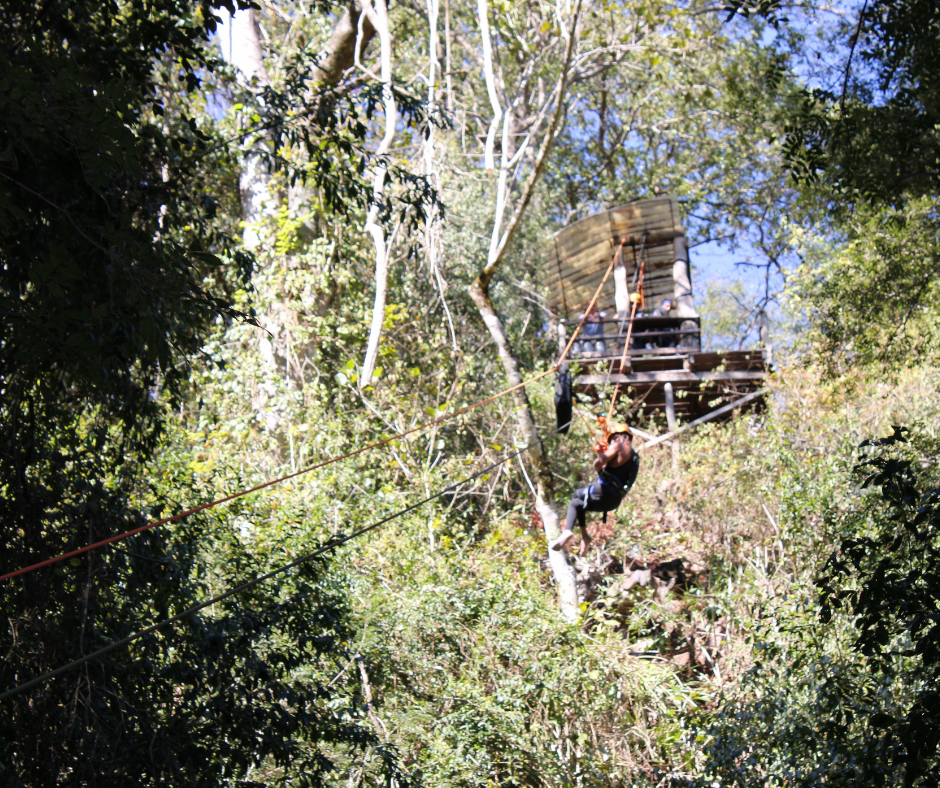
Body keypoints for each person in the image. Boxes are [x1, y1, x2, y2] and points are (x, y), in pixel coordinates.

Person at [550, 421, 640, 557]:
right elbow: (611, 470)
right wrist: (601, 452)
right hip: (614, 501)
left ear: (619, 437)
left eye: (612, 439)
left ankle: (568, 531)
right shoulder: (634, 457)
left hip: (603, 492)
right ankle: (584, 536)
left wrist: (601, 457)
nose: (612, 442)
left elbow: (598, 465)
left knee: (576, 494)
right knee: (577, 504)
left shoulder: (618, 445)